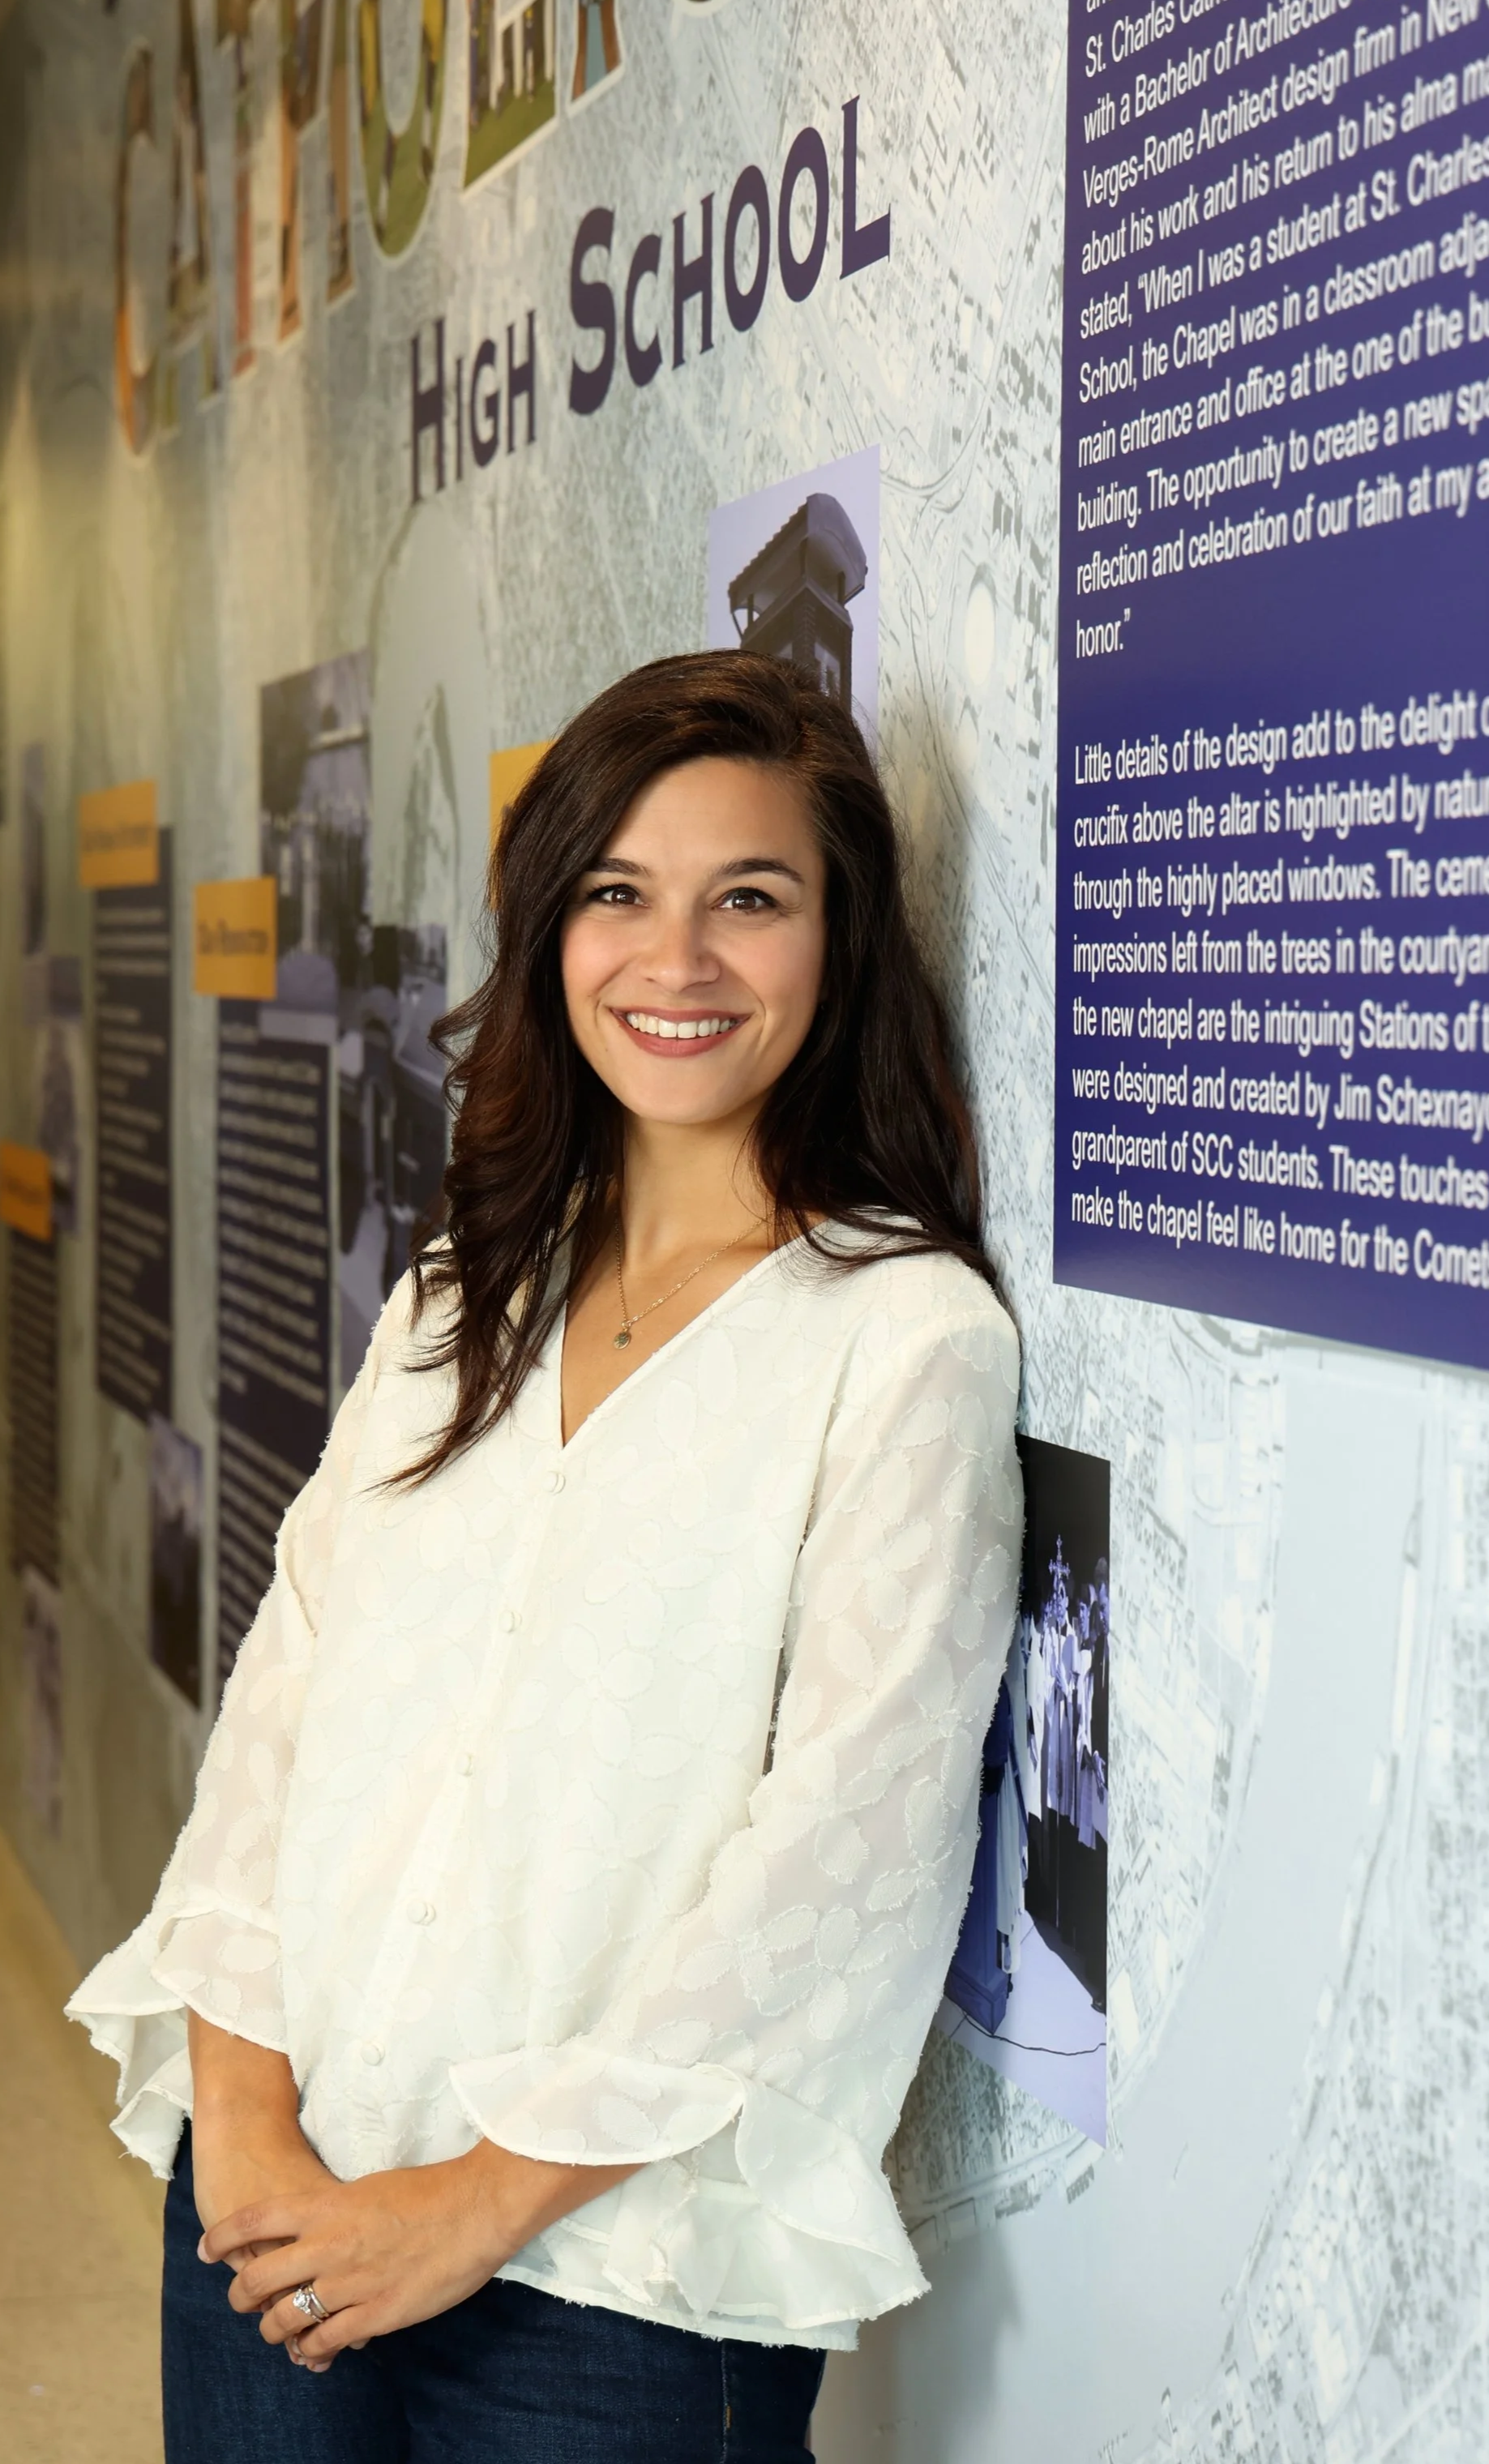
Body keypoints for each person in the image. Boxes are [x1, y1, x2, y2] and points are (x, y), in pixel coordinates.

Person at [70, 650, 1022, 2462]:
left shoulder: (899, 1340)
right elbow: (287, 1693)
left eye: (749, 898)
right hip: (280, 2198)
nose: (675, 961)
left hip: (610, 2276)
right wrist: (245, 2114)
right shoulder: (459, 1294)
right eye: (617, 894)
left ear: (840, 942)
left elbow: (843, 1855)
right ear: (549, 925)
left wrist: (474, 2201)